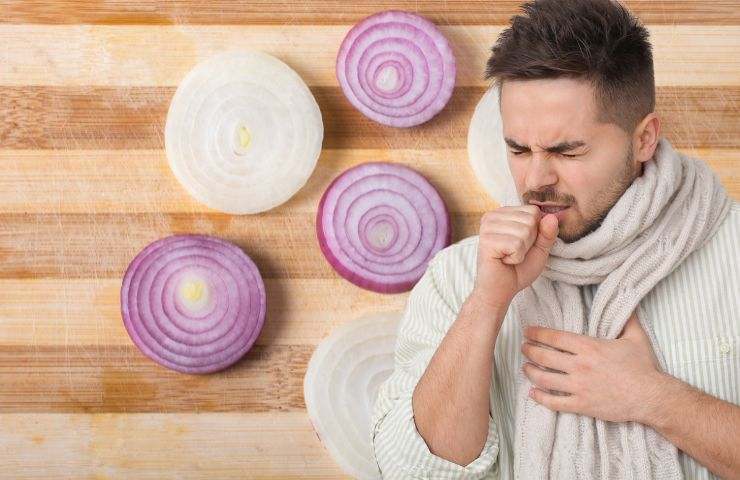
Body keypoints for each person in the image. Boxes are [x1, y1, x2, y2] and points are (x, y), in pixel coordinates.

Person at [370, 0, 740, 478]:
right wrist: (486, 303)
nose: (536, 178)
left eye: (568, 150)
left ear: (644, 139)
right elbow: (411, 472)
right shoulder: (461, 275)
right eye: (518, 148)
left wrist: (655, 399)